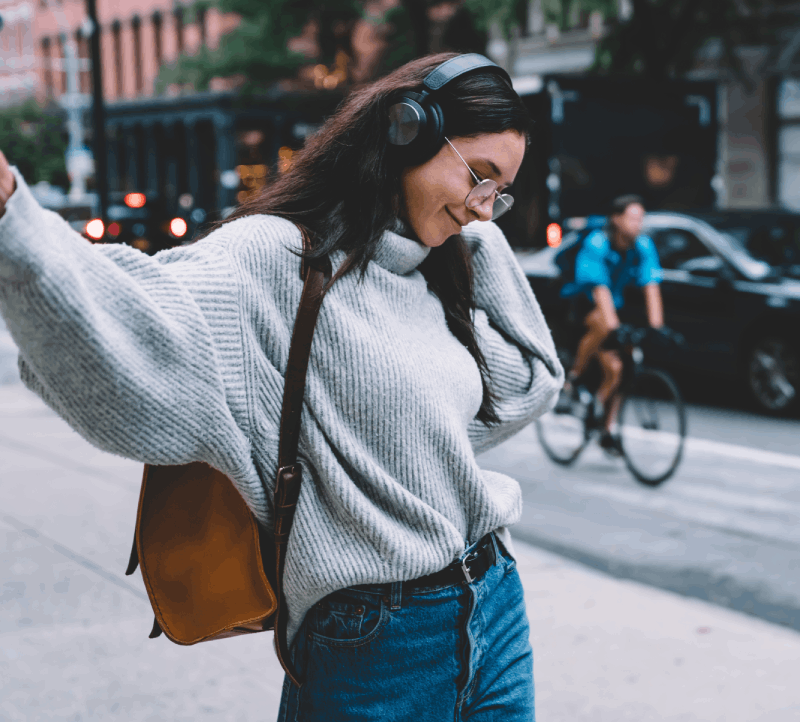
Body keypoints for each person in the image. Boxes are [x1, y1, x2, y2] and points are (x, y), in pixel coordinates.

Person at [0, 53, 563, 720]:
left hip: (492, 602)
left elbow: (529, 382)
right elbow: (135, 325)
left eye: (501, 191)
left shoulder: (442, 265)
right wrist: (13, 219)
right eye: (479, 177)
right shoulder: (276, 258)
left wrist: (476, 232)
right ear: (405, 132)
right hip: (376, 642)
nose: (484, 208)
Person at [559, 195, 663, 454]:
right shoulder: (597, 242)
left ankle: (605, 427)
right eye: (632, 218)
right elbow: (599, 290)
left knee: (621, 371)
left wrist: (657, 327)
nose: (638, 224)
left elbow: (651, 285)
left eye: (641, 218)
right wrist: (616, 329)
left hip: (613, 307)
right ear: (616, 219)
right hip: (583, 305)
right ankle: (574, 376)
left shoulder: (642, 245)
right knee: (604, 325)